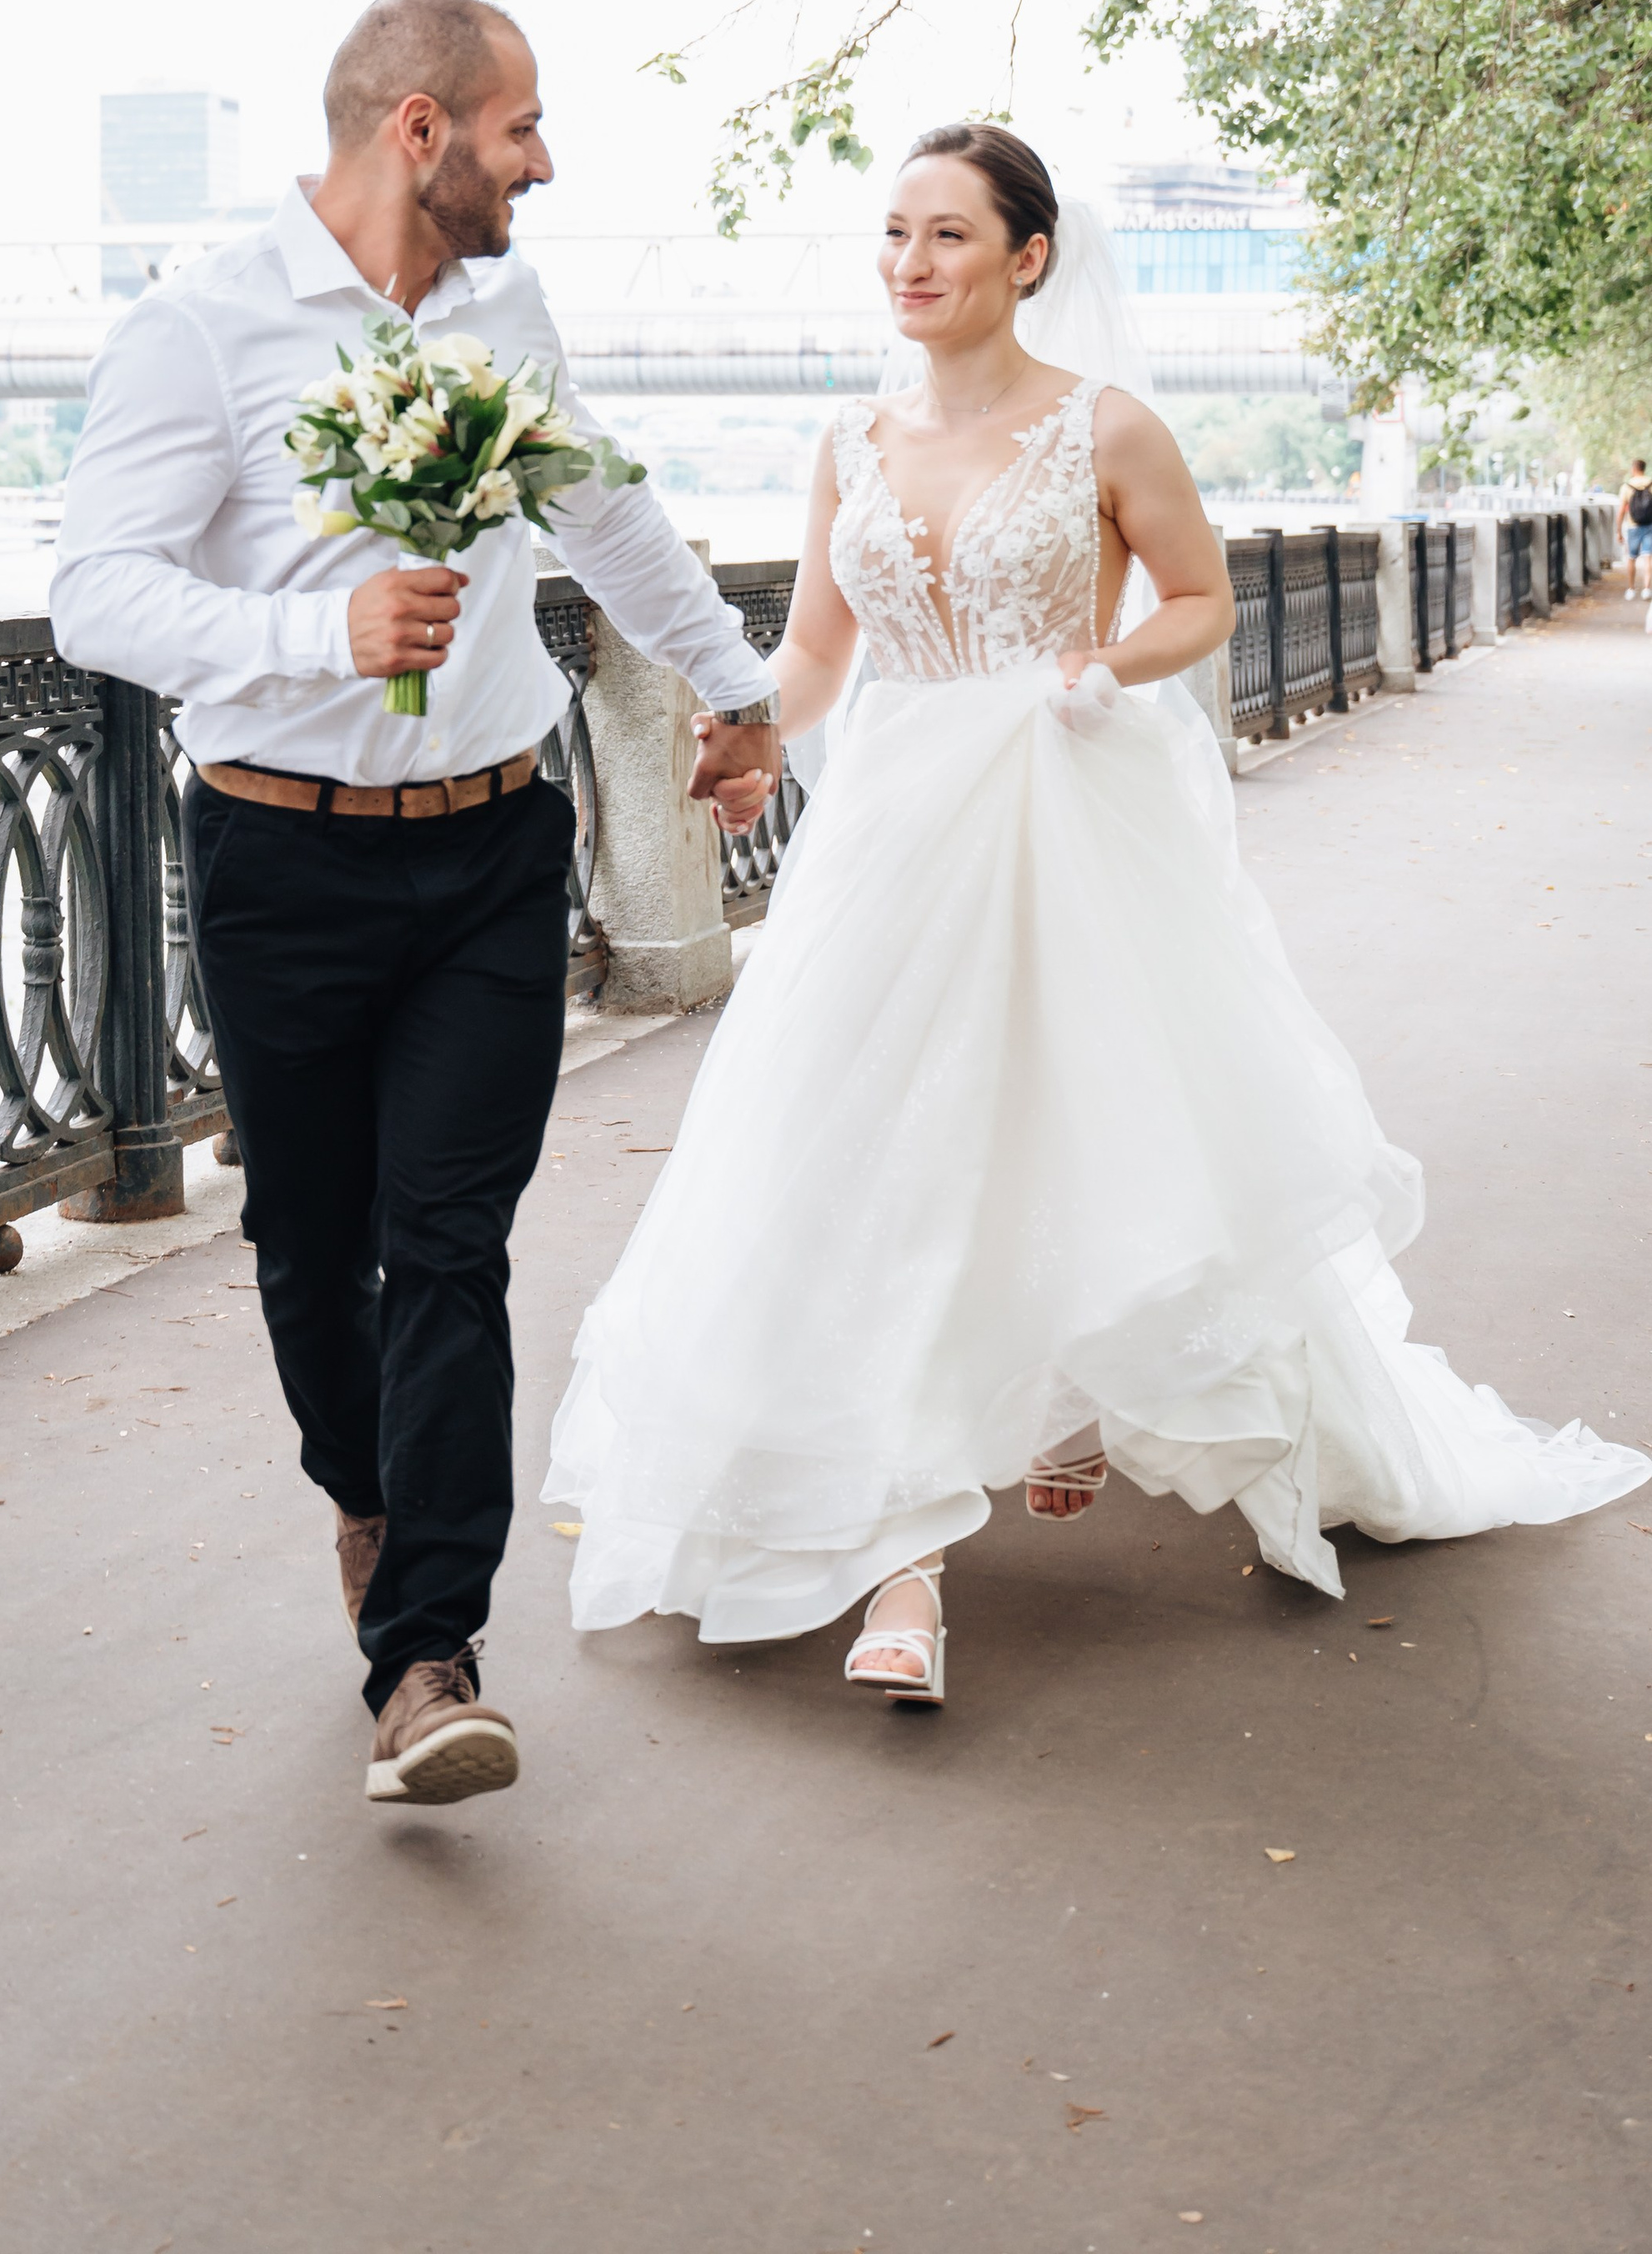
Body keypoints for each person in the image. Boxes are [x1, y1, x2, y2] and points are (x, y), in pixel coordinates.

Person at [544, 123, 1651, 1704]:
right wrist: (746, 727)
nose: (911, 263)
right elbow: (818, 657)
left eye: (947, 235)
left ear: (1027, 259)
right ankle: (899, 1558)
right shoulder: (851, 440)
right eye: (894, 233)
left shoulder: (1107, 430)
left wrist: (1102, 663)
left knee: (1076, 1131)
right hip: (884, 843)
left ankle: (1045, 1408)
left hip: (1060, 811)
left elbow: (1198, 598)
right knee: (872, 1160)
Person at [50, 0, 783, 1803]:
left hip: (486, 844)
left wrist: (738, 681)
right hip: (277, 849)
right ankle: (367, 1503)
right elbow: (95, 593)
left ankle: (430, 1656)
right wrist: (324, 630)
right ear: (420, 130)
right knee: (311, 1247)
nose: (545, 160)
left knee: (450, 1243)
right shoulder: (201, 326)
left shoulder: (500, 305)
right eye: (522, 127)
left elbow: (598, 510)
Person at [1621, 458, 1652, 599]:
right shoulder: (1651, 483)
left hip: (1633, 526)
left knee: (1631, 558)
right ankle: (1647, 589)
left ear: (1633, 469)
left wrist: (1618, 531)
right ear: (1644, 469)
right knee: (1649, 558)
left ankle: (1631, 589)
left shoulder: (1627, 486)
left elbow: (1622, 510)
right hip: (1650, 525)